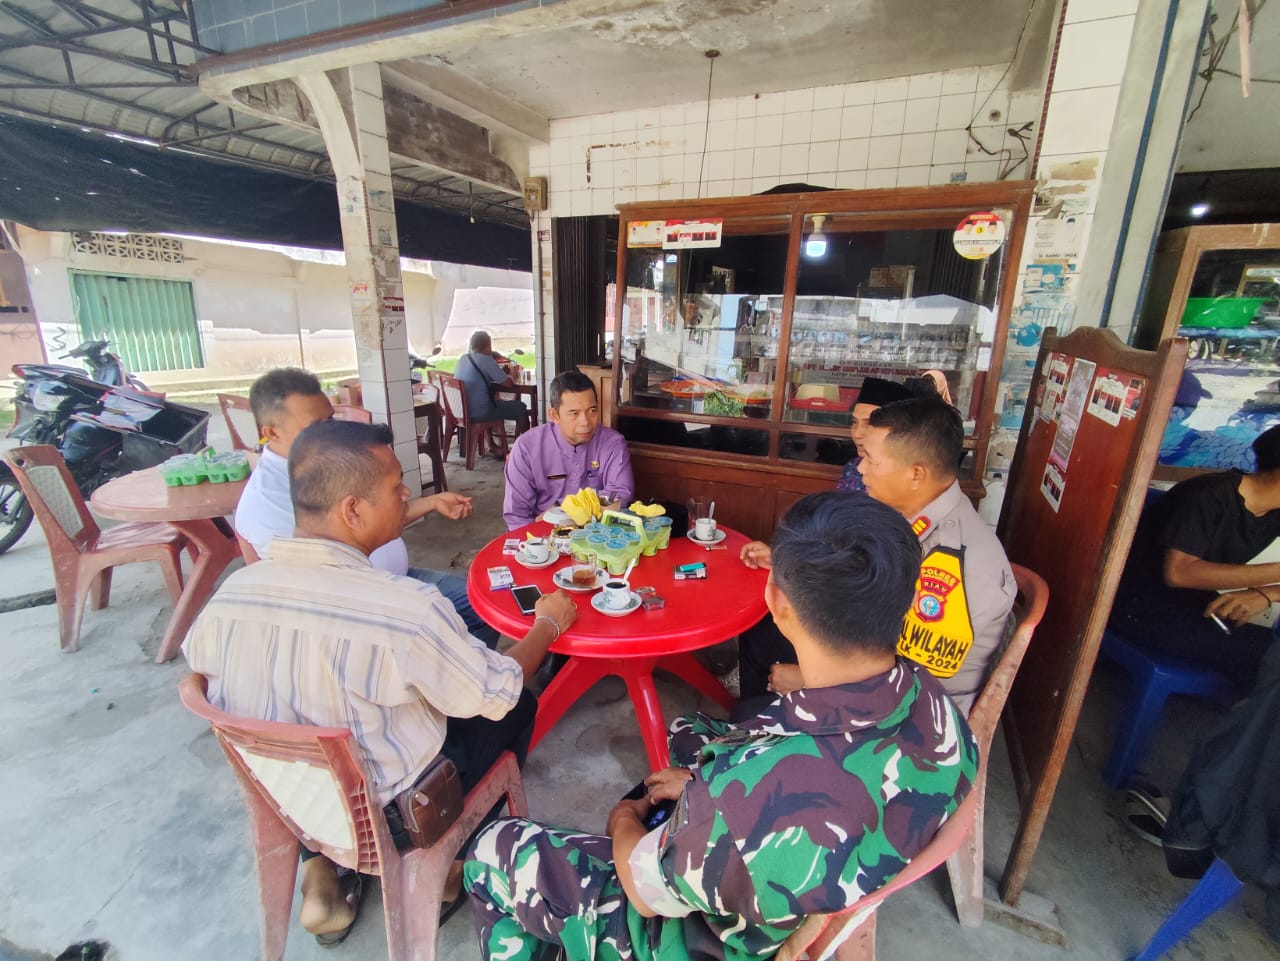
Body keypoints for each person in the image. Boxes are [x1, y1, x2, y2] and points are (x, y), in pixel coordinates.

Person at [463, 493, 978, 961]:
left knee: (492, 851)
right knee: (688, 730)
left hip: (697, 937)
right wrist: (701, 788)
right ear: (908, 603)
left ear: (776, 604)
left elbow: (642, 891)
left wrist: (625, 816)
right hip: (803, 861)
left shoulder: (740, 806)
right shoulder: (940, 708)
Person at [185, 419, 579, 945]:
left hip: (287, 799)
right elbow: (498, 688)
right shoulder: (408, 612)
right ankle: (448, 872)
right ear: (352, 509)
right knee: (517, 705)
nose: (406, 495)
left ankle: (321, 869)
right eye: (396, 486)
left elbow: (203, 678)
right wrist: (548, 625)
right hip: (390, 819)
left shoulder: (231, 595)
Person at [739, 396, 1016, 713]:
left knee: (749, 697)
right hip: (877, 663)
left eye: (871, 460)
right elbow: (866, 572)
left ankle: (758, 730)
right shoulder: (915, 517)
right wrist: (794, 563)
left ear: (915, 474)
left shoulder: (950, 564)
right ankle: (760, 717)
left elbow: (918, 682)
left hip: (908, 721)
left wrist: (807, 679)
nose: (860, 468)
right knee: (763, 629)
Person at [234, 367, 498, 647]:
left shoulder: (325, 464)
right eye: (316, 427)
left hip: (398, 579)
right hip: (369, 611)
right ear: (271, 432)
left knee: (484, 606)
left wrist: (432, 502)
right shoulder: (266, 504)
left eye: (331, 420)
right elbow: (322, 602)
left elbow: (372, 518)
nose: (332, 433)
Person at [1109, 424, 1280, 689]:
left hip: (1199, 606)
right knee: (1271, 659)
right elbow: (1179, 573)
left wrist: (1266, 594)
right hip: (1142, 608)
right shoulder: (1208, 496)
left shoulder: (1274, 509)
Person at [502, 369, 634, 529]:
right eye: (574, 413)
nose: (585, 422)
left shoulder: (612, 443)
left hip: (596, 535)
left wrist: (565, 509)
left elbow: (620, 494)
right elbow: (517, 516)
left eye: (592, 411)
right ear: (554, 415)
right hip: (545, 534)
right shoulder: (526, 448)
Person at [836, 376, 916, 494]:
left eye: (869, 424)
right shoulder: (852, 468)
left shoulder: (909, 477)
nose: (857, 434)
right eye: (854, 422)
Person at [454, 330, 530, 433]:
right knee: (521, 408)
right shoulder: (486, 359)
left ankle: (493, 445)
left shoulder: (463, 358)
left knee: (494, 403)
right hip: (480, 412)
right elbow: (508, 384)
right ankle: (525, 445)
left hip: (461, 411)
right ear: (487, 345)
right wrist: (510, 373)